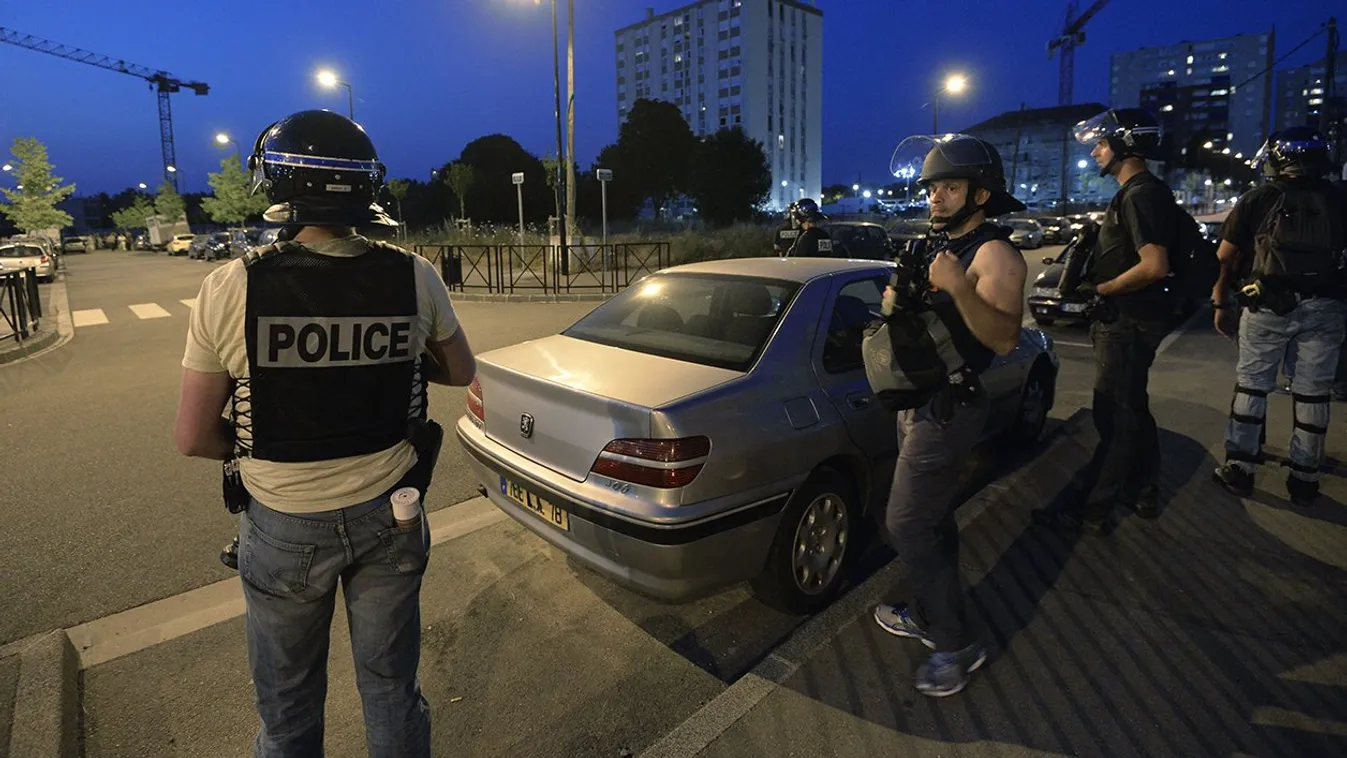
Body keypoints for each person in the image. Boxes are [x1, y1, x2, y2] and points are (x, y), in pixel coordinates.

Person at [173, 109, 476, 757]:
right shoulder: (412, 274)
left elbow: (194, 435)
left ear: (277, 184)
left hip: (284, 525)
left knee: (287, 711)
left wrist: (250, 443)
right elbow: (459, 372)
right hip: (391, 515)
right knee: (392, 689)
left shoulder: (231, 285)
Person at [872, 135, 1027, 697]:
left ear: (981, 194)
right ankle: (930, 613)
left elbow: (1005, 339)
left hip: (951, 406)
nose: (936, 197)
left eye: (950, 187)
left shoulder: (994, 255)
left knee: (906, 522)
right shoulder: (940, 248)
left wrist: (959, 287)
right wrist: (902, 292)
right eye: (933, 188)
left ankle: (956, 644)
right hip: (920, 400)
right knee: (931, 517)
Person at [1034, 107, 1178, 535]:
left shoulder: (1139, 194)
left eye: (1100, 144)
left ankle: (1091, 509)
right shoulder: (1141, 191)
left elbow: (1154, 266)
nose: (1095, 152)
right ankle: (1144, 487)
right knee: (1131, 408)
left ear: (1123, 145)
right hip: (1134, 320)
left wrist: (1103, 290)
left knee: (1113, 416)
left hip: (1128, 323)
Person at [1211, 127, 1347, 506]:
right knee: (1313, 393)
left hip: (1267, 305)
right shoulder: (1340, 199)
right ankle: (1305, 477)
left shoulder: (1259, 198)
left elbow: (1225, 258)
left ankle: (1240, 468)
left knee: (1253, 385)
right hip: (1328, 308)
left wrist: (1221, 304)